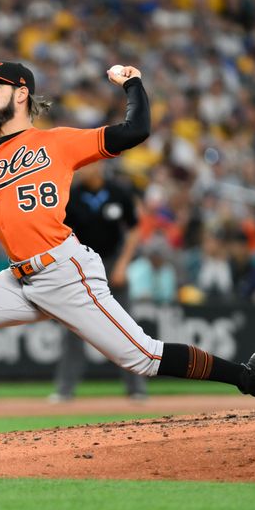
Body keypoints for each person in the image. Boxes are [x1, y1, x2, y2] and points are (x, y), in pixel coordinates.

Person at [0, 61, 255, 451]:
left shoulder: (57, 142)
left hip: (65, 269)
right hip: (20, 278)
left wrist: (132, 83)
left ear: (21, 93)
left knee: (145, 357)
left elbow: (135, 131)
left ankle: (251, 376)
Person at [49, 162, 148, 402]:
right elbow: (59, 231)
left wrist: (124, 264)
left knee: (125, 325)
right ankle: (65, 388)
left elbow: (134, 228)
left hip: (113, 261)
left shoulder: (118, 192)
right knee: (73, 325)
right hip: (81, 262)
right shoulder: (71, 194)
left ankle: (136, 387)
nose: (84, 169)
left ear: (101, 167)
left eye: (89, 165)